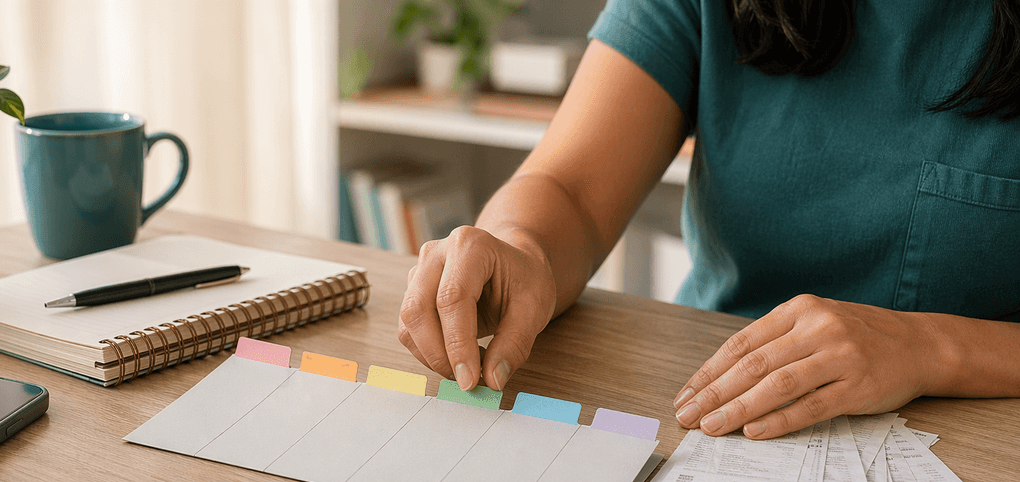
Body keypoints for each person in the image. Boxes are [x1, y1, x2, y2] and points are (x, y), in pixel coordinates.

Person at [396, 0, 1020, 439]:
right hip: (715, 412)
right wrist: (521, 248)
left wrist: (933, 349)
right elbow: (570, 188)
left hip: (979, 446)